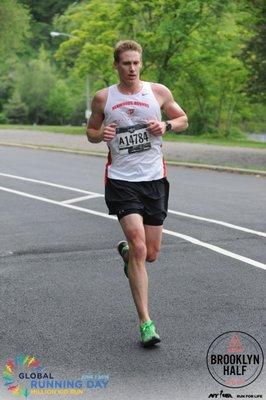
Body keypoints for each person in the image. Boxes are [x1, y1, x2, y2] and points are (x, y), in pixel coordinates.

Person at [86, 40, 188, 347]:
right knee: (140, 246)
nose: (132, 68)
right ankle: (146, 322)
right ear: (116, 65)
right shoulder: (104, 97)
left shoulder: (158, 92)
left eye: (136, 63)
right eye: (126, 63)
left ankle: (127, 256)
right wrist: (98, 134)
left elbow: (183, 120)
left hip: (154, 179)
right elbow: (90, 132)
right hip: (121, 180)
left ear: (141, 63)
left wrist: (166, 125)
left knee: (150, 254)